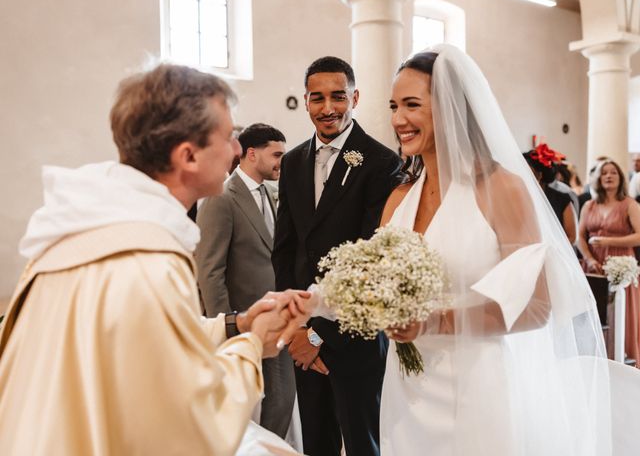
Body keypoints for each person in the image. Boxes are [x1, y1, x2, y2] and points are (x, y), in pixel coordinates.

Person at [0, 64, 307, 455]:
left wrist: (236, 324)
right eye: (228, 136)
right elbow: (190, 424)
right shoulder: (148, 258)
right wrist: (252, 345)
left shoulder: (81, 230)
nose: (235, 149)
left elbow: (139, 336)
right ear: (188, 156)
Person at [368, 45, 610, 454]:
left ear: (451, 108)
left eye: (412, 105)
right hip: (407, 386)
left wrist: (435, 322)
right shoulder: (398, 198)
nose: (397, 120)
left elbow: (535, 307)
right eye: (394, 106)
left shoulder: (501, 189)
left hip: (476, 383)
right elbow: (376, 285)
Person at [272, 56, 402, 456]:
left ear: (355, 97)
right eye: (317, 98)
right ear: (306, 101)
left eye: (338, 97)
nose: (327, 108)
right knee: (317, 443)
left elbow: (371, 261)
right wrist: (295, 325)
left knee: (363, 443)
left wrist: (319, 336)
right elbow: (286, 249)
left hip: (354, 337)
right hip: (302, 335)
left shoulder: (381, 163)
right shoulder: (292, 161)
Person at [195, 123, 294, 438]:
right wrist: (226, 326)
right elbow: (210, 270)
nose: (282, 161)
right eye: (276, 154)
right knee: (247, 409)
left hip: (275, 319)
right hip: (242, 322)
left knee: (282, 402)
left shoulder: (271, 194)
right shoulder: (223, 197)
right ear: (252, 154)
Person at [577, 159, 640, 365]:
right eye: (604, 173)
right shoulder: (589, 205)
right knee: (596, 314)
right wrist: (589, 259)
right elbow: (580, 237)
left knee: (622, 312)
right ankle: (596, 361)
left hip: (621, 263)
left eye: (614, 172)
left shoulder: (629, 205)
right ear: (598, 178)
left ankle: (625, 358)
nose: (608, 176)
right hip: (594, 265)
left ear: (621, 178)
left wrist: (608, 241)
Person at [522, 147, 577, 243]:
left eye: (527, 171)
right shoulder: (520, 196)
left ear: (539, 175)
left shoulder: (562, 199)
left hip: (555, 252)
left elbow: (571, 236)